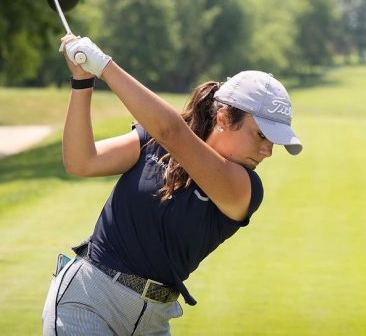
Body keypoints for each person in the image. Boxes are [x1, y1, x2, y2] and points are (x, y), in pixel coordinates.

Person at [42, 35, 302, 335]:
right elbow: (81, 161)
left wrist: (104, 65)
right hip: (88, 299)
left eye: (274, 142)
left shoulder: (245, 188)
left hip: (153, 320)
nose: (268, 151)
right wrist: (83, 81)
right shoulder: (152, 142)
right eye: (261, 135)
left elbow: (171, 132)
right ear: (224, 116)